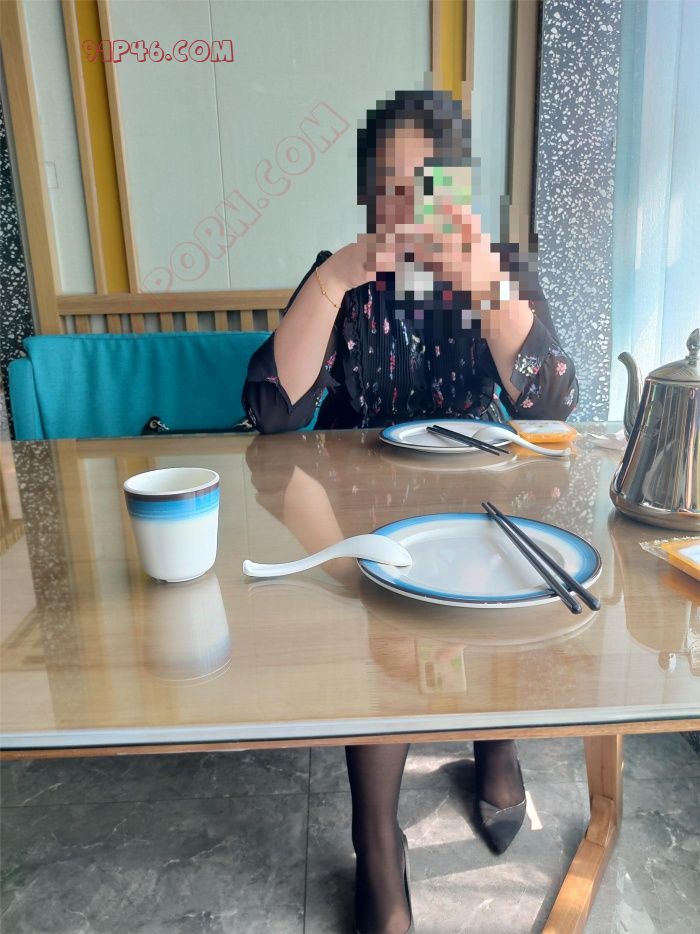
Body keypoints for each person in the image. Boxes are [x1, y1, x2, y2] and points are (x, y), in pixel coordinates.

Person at [242, 89, 578, 934]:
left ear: (459, 189)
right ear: (367, 199)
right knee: (379, 635)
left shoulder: (502, 270)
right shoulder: (343, 279)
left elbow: (548, 402)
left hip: (481, 500)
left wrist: (486, 284)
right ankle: (377, 841)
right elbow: (272, 412)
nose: (410, 206)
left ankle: (496, 742)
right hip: (366, 507)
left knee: (504, 603)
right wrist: (334, 278)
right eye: (391, 187)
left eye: (430, 183)